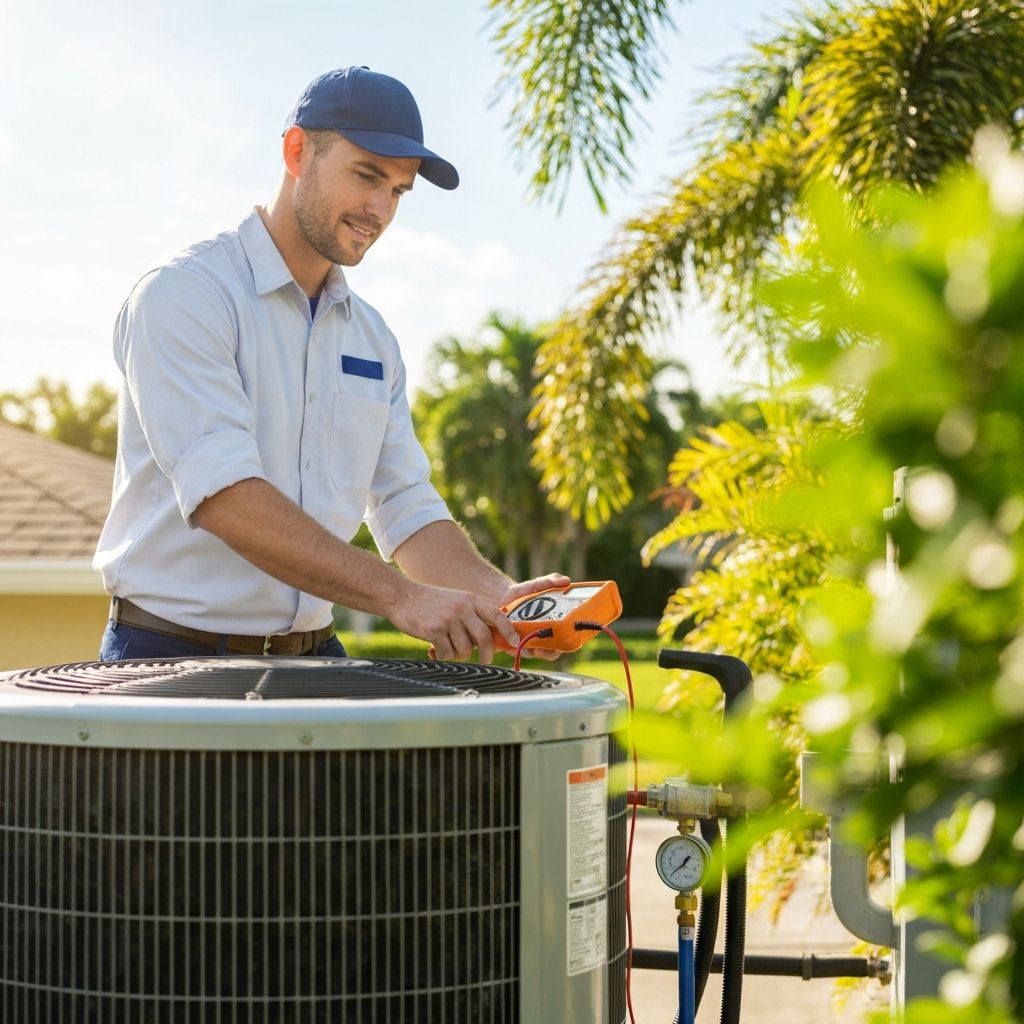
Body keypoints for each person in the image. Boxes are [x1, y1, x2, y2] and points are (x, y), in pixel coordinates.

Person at [94, 66, 566, 663]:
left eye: (398, 190)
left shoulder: (374, 339)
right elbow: (224, 494)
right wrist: (402, 597)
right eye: (366, 175)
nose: (379, 209)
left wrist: (501, 597)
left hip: (316, 655)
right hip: (168, 653)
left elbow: (402, 501)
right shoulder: (184, 295)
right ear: (297, 151)